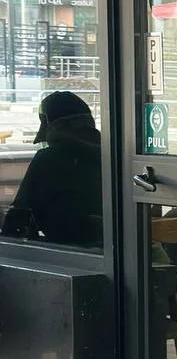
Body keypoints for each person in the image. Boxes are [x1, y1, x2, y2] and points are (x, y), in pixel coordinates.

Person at [0, 90, 102, 248]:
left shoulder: (48, 159)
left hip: (63, 250)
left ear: (53, 127)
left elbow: (18, 215)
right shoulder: (110, 156)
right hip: (109, 248)